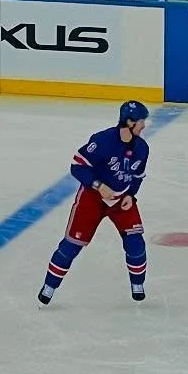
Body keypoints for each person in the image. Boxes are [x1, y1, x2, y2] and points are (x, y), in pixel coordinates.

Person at [38, 101, 153, 305]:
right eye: (142, 121)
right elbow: (77, 166)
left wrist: (130, 196)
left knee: (136, 243)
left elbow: (137, 176)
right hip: (92, 198)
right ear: (129, 122)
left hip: (121, 201)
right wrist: (99, 186)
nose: (144, 126)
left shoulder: (142, 148)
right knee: (71, 245)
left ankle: (138, 284)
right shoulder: (102, 141)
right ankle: (49, 286)